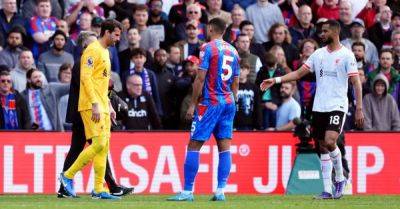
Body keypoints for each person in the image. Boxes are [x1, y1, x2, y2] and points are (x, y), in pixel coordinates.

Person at [260, 20, 364, 199]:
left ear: (334, 32)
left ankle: (340, 178)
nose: (321, 35)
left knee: (331, 141)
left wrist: (359, 108)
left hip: (337, 105)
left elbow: (356, 83)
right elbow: (299, 73)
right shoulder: (318, 54)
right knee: (322, 146)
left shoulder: (347, 55)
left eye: (324, 31)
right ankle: (327, 189)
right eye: (320, 31)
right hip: (319, 106)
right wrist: (276, 80)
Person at [167, 18, 240, 202]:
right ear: (224, 31)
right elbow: (236, 81)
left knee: (194, 145)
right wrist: (234, 101)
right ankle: (220, 191)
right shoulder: (233, 50)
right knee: (224, 148)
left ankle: (187, 192)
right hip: (229, 102)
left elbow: (200, 79)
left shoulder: (207, 48)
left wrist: (192, 104)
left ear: (209, 28)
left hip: (211, 102)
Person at [57, 31, 133, 198]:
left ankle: (101, 187)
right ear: (86, 46)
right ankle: (74, 180)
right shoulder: (82, 63)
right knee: (98, 146)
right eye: (93, 42)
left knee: (89, 147)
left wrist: (107, 104)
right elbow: (88, 87)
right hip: (87, 111)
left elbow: (99, 87)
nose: (97, 45)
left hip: (89, 110)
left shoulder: (90, 60)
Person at [234, 60, 260, 130]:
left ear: (248, 71)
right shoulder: (231, 87)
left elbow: (257, 107)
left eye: (243, 69)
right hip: (234, 125)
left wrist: (257, 126)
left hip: (249, 124)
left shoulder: (254, 88)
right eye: (238, 69)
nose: (240, 71)